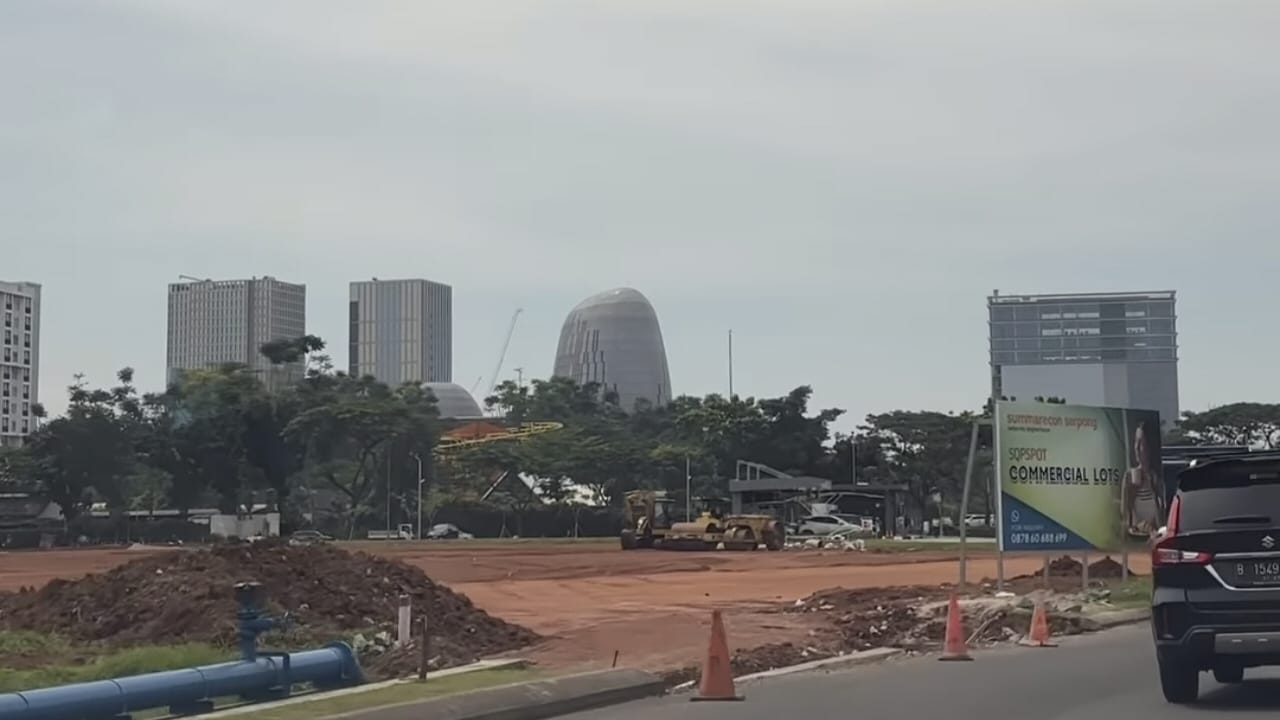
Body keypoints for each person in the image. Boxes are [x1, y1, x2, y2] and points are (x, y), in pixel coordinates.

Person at [1124, 421, 1164, 537]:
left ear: (1149, 448)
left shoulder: (1156, 477)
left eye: (1141, 443)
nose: (1136, 448)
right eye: (1136, 443)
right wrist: (1133, 490)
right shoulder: (1129, 475)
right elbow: (1124, 514)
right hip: (1136, 538)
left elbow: (1162, 514)